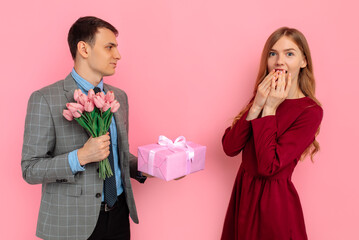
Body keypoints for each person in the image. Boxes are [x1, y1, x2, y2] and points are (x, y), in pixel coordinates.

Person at [21, 16, 147, 240]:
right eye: (109, 47)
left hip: (118, 216)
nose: (118, 55)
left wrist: (153, 166)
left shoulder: (119, 97)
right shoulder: (45, 99)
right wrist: (79, 157)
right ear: (84, 49)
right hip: (71, 224)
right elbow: (30, 169)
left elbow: (118, 157)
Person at [221, 27, 323, 240]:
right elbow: (230, 148)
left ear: (303, 61)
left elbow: (268, 166)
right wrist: (257, 104)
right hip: (243, 196)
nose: (279, 61)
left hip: (273, 206)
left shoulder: (310, 111)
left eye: (289, 53)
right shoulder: (262, 95)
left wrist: (269, 110)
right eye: (272, 53)